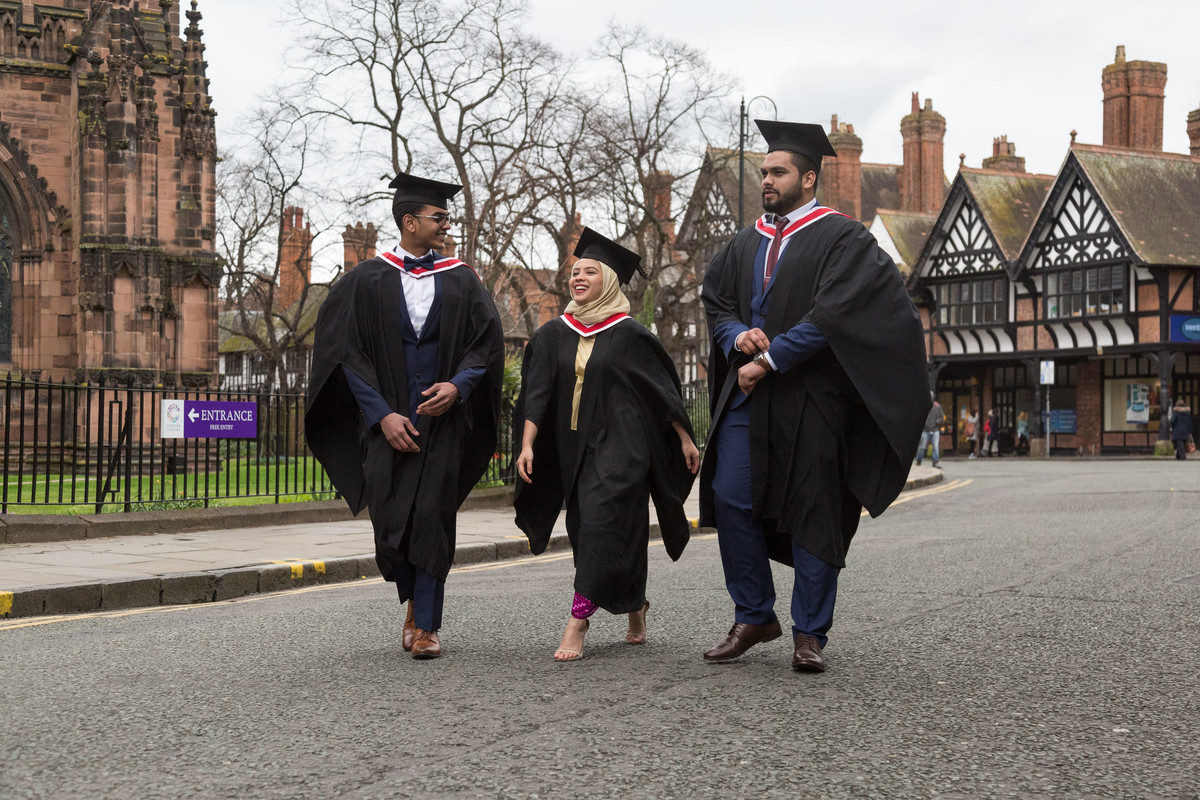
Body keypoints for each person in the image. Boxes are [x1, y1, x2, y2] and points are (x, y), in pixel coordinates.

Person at [699, 119, 928, 672]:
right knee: (730, 498)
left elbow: (836, 313)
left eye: (777, 172)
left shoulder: (842, 237)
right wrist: (738, 338)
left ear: (808, 177)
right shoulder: (743, 242)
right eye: (764, 172)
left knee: (814, 510)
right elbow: (718, 303)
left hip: (812, 397)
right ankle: (754, 613)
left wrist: (772, 359)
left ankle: (810, 634)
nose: (767, 181)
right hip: (747, 397)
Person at [305, 171, 504, 660]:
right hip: (387, 423)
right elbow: (343, 354)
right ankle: (412, 598)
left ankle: (428, 624)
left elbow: (487, 344)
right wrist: (381, 415)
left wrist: (458, 387)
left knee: (433, 517)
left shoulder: (461, 279)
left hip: (443, 423)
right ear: (409, 221)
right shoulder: (364, 281)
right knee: (392, 524)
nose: (446, 224)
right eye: (439, 217)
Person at [514, 228, 700, 662]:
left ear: (610, 280)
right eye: (575, 272)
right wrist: (527, 445)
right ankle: (635, 606)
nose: (579, 277)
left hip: (624, 444)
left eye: (590, 272)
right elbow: (535, 394)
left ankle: (578, 621)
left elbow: (662, 391)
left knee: (601, 523)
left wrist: (685, 438)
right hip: (574, 448)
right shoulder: (552, 334)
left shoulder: (631, 334)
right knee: (593, 529)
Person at [915, 392, 944, 468]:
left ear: (933, 398)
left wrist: (937, 422)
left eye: (931, 397)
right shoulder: (923, 406)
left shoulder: (937, 406)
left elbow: (942, 417)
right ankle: (919, 460)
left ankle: (935, 462)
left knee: (935, 447)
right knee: (922, 447)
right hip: (925, 430)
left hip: (935, 430)